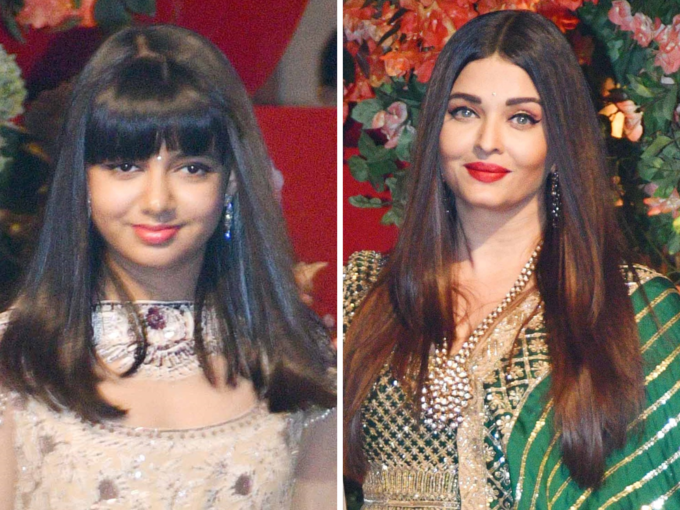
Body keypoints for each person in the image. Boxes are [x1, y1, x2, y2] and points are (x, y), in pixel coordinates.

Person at [344, 10, 680, 510]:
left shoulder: (632, 312)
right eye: (465, 112)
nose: (487, 140)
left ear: (560, 141)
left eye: (522, 118)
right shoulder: (366, 292)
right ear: (436, 128)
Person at [0, 24, 337, 509]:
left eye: (191, 168)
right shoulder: (16, 362)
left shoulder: (298, 361)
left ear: (232, 182)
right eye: (125, 166)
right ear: (82, 179)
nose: (157, 201)